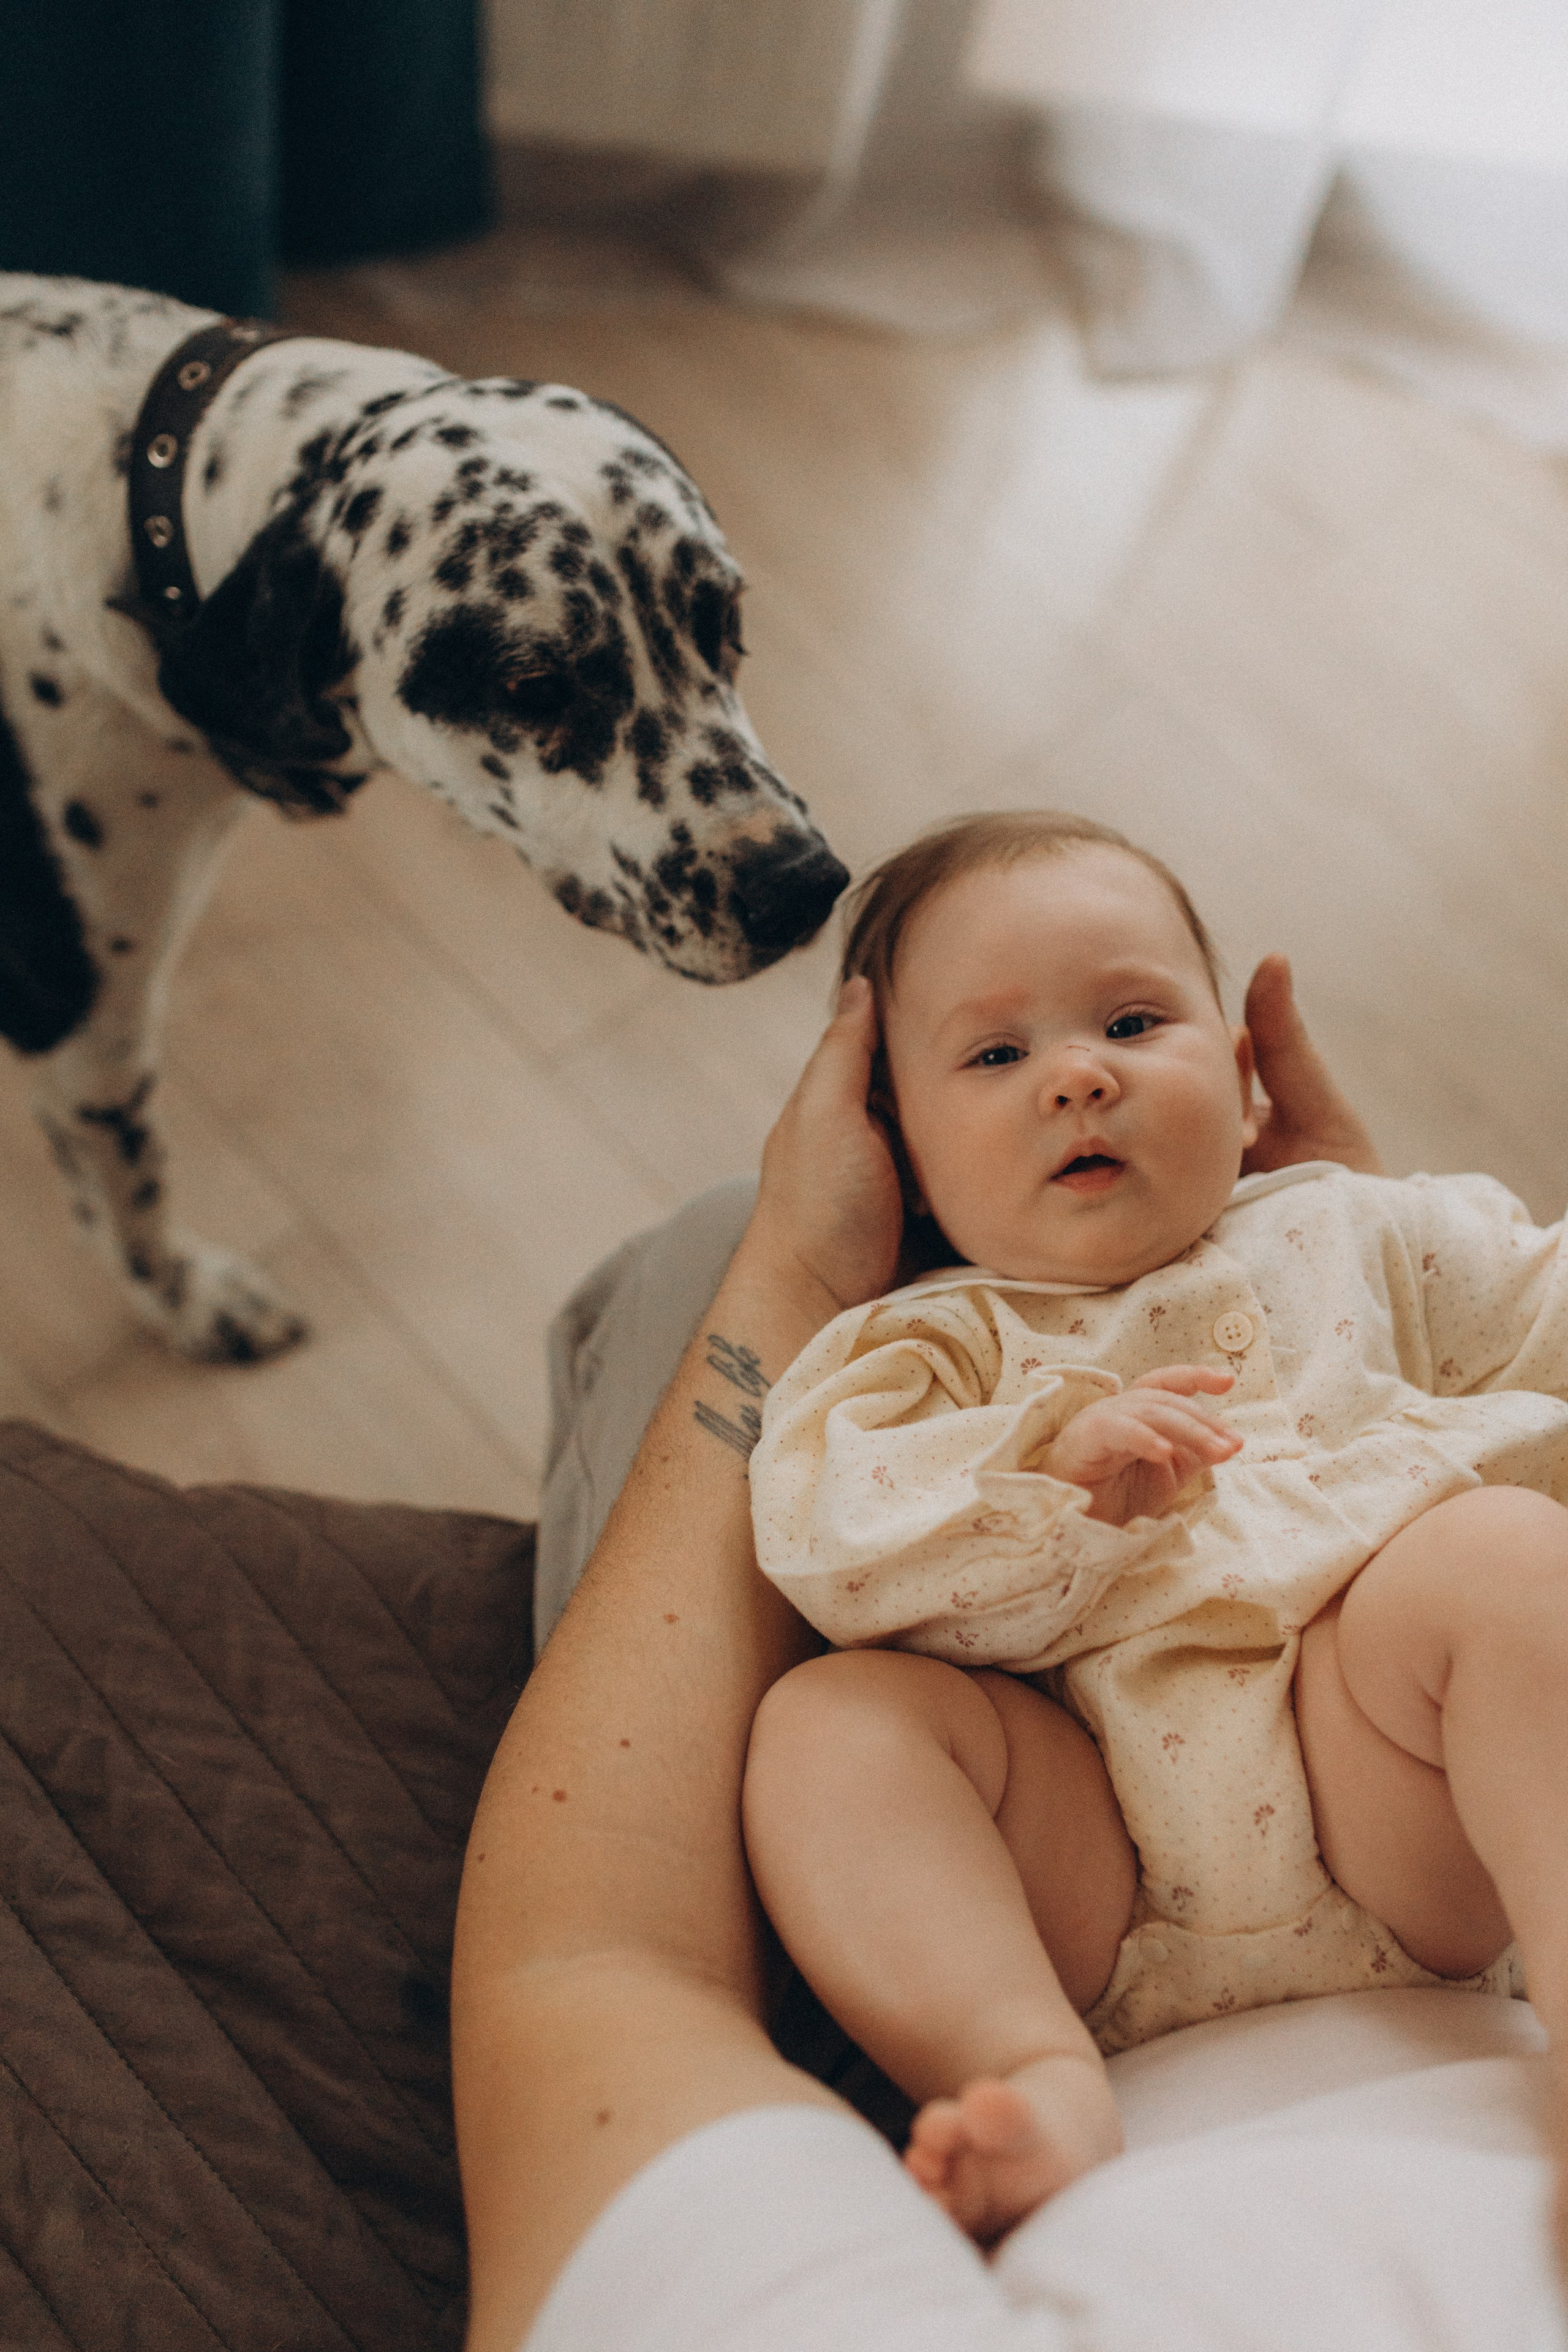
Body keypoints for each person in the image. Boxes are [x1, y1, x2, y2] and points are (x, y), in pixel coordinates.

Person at [739, 811, 1568, 2248]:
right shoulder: (927, 1341)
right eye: (994, 1057)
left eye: (1132, 1020)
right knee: (829, 1728)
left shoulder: (1355, 1226)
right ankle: (1024, 2068)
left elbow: (1547, 1312)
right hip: (1090, 1865)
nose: (1077, 1076)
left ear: (1244, 1082)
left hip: (1381, 1808)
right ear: (904, 1157)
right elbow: (828, 1536)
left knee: (1496, 1565)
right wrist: (1044, 1473)